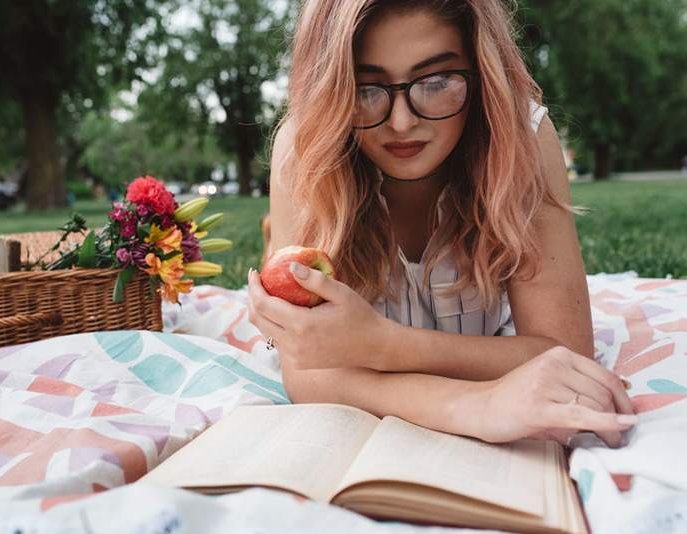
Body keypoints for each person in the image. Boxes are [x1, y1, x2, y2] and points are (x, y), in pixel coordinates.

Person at [247, 0, 637, 448]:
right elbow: (309, 372)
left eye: (436, 82)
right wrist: (478, 405)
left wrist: (380, 346)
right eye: (365, 88)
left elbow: (565, 352)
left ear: (481, 70)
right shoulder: (307, 149)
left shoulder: (522, 137)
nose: (402, 122)